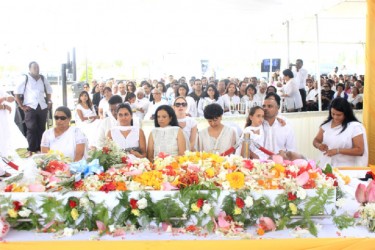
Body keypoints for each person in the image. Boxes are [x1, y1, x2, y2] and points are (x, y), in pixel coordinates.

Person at [313, 98, 368, 167]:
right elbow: (316, 140)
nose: (335, 117)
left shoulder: (354, 127)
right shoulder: (326, 126)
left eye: (339, 115)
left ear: (346, 113)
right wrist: (319, 145)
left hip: (346, 168)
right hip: (326, 165)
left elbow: (360, 150)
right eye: (333, 114)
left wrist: (337, 151)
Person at [14, 61, 53, 156]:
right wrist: (21, 106)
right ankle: (31, 149)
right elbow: (16, 93)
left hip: (42, 107)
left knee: (41, 128)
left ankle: (40, 148)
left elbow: (49, 90)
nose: (37, 69)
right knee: (31, 128)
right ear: (30, 69)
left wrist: (48, 101)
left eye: (38, 67)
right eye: (34, 67)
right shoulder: (25, 78)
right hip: (30, 107)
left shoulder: (43, 78)